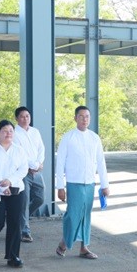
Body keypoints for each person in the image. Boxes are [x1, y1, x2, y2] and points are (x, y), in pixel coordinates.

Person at [54, 106, 110, 260]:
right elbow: (60, 163)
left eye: (87, 116)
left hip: (89, 182)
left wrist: (105, 185)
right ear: (75, 118)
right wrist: (60, 187)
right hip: (74, 182)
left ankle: (84, 248)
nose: (84, 119)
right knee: (72, 215)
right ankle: (64, 242)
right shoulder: (68, 137)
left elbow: (101, 162)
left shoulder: (94, 138)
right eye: (81, 116)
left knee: (86, 215)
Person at [0, 120, 29, 268]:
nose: (8, 133)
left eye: (11, 131)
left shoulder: (19, 150)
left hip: (16, 191)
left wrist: (10, 181)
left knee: (15, 223)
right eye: (5, 130)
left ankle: (13, 256)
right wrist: (2, 185)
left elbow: (23, 169)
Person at [13, 106, 46, 243]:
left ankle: (19, 218)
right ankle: (24, 231)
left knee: (40, 198)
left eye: (27, 116)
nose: (25, 119)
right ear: (16, 118)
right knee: (24, 201)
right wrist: (33, 165)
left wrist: (38, 164)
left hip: (36, 171)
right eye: (22, 116)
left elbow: (41, 149)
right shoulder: (14, 133)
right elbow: (19, 154)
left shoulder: (35, 132)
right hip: (23, 172)